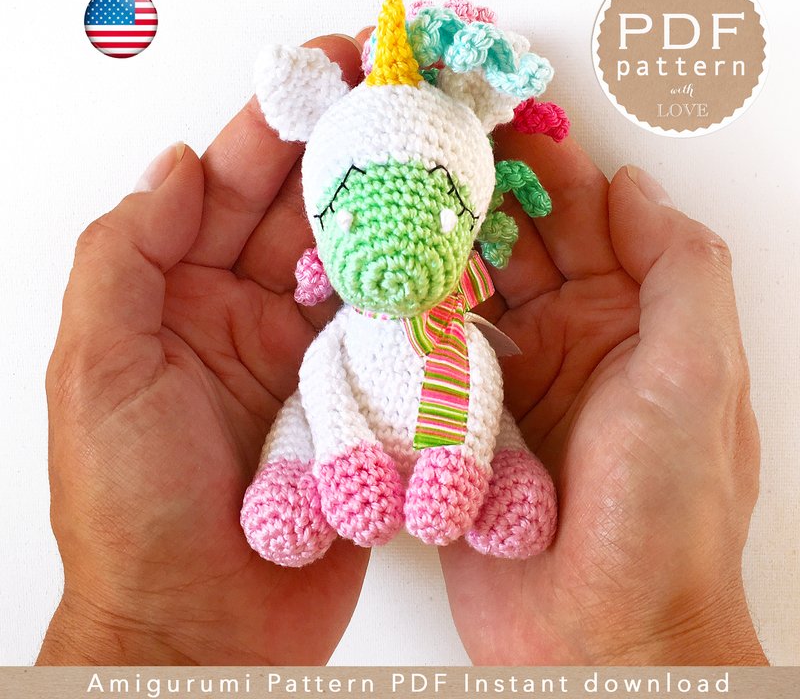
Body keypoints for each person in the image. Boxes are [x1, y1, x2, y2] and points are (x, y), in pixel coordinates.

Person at [36, 33, 767, 666]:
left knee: (502, 441)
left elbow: (479, 398)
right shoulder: (343, 338)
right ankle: (303, 486)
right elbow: (323, 390)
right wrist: (345, 457)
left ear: (472, 218)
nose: (395, 252)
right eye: (351, 214)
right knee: (299, 435)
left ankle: (489, 480)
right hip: (339, 448)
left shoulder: (460, 335)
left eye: (445, 214)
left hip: (452, 454)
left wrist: (459, 464)